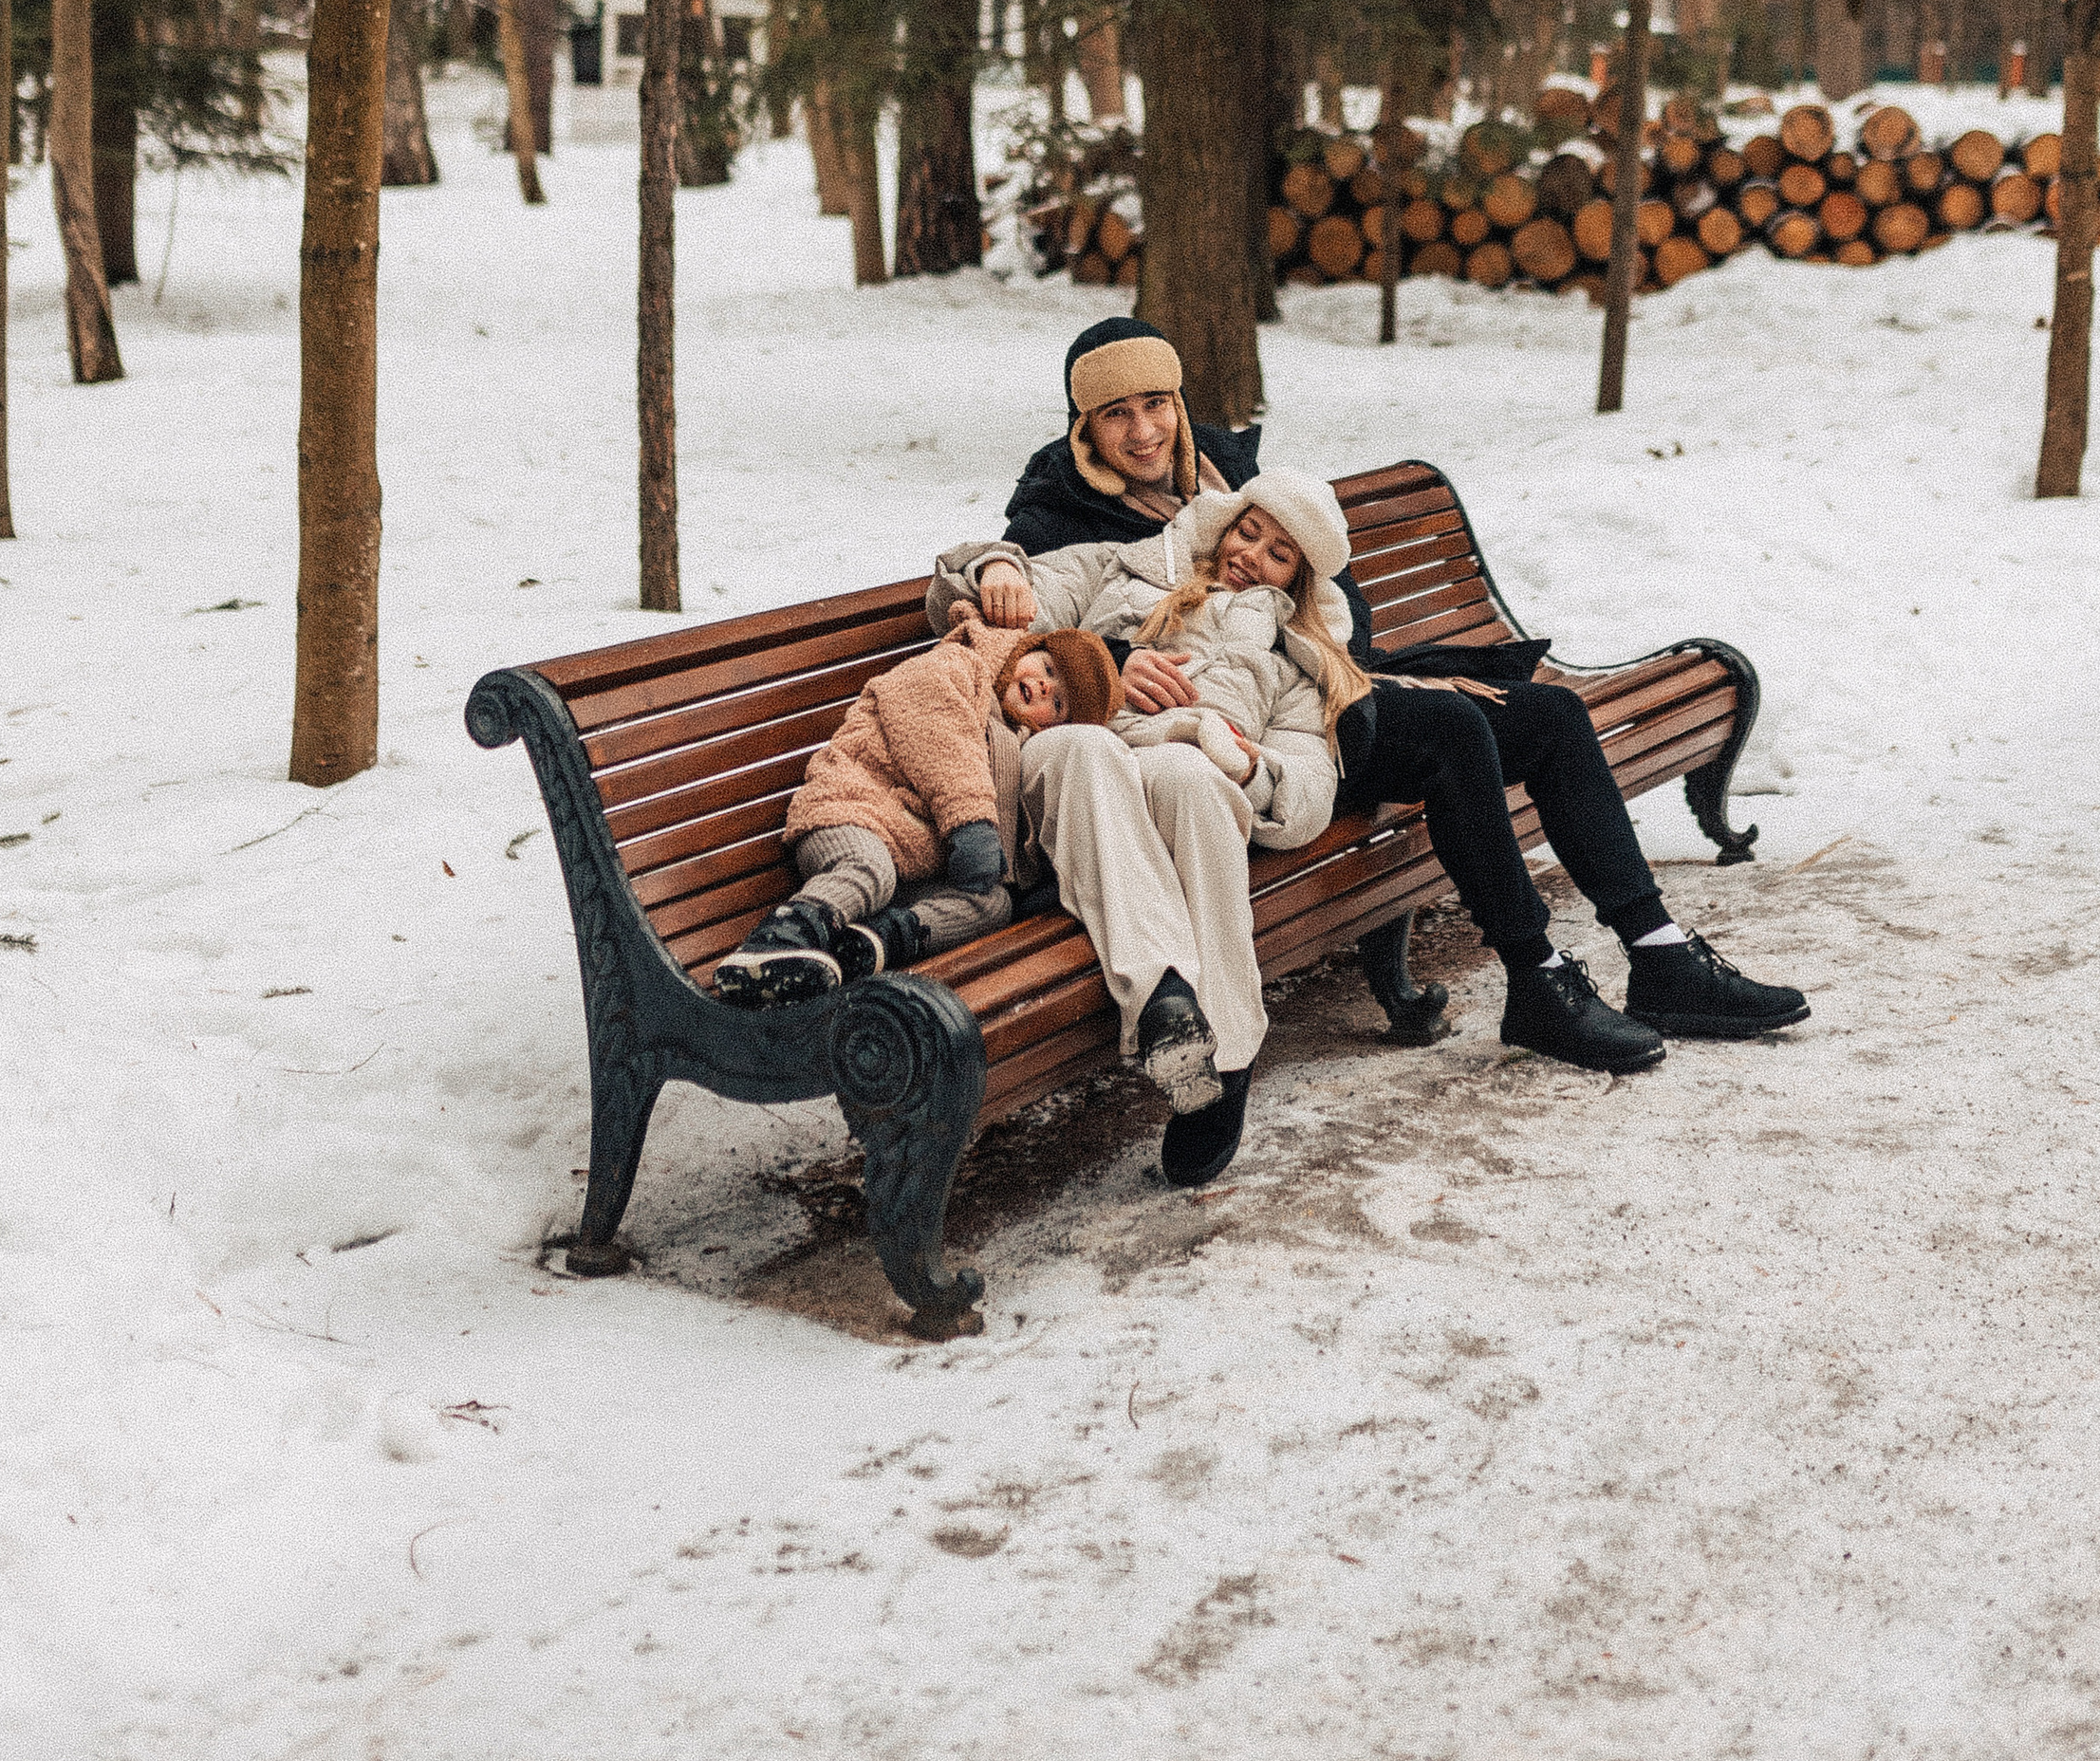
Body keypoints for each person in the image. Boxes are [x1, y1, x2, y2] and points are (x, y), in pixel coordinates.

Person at [997, 317, 1810, 1069]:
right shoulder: (1056, 510)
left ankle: (1659, 949)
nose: (1142, 431)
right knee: (1454, 731)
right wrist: (1106, 661)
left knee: (1552, 715)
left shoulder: (1220, 465)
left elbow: (1326, 580)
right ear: (1082, 425)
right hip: (1253, 736)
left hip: (1321, 679)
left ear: (1177, 401)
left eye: (1154, 405)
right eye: (1115, 414)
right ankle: (1537, 977)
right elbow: (1032, 623)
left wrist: (1354, 653)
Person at [929, 471, 1370, 1190]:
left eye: (1278, 553)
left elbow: (1310, 792)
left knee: (1190, 773)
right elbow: (978, 593)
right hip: (1063, 789)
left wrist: (1254, 769)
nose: (1252, 554)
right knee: (1087, 746)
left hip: (1177, 798)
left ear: (1298, 583)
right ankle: (1165, 990)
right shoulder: (1125, 566)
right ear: (1223, 526)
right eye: (1247, 531)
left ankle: (1212, 1055)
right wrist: (1015, 580)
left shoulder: (1293, 667)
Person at [714, 615, 1121, 1004]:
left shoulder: (1011, 743)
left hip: (908, 860)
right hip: (852, 808)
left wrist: (1035, 881)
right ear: (1029, 648)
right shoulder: (960, 664)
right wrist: (973, 826)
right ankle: (779, 941)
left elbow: (1008, 841)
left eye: (1060, 704)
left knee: (991, 903)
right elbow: (938, 734)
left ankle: (871, 943)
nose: (1045, 687)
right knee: (868, 869)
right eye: (1048, 668)